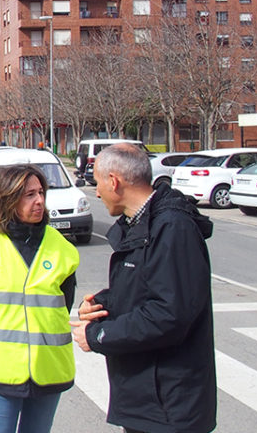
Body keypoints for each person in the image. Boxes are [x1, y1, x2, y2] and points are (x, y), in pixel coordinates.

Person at [71, 143, 216, 433]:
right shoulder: (140, 224)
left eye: (98, 183)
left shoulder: (172, 228)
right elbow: (146, 289)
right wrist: (104, 303)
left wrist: (99, 335)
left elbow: (169, 314)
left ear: (114, 181)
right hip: (148, 397)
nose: (97, 193)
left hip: (168, 403)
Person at [0, 164, 79, 433]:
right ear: (7, 198)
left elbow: (63, 305)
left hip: (49, 369)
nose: (40, 201)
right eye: (29, 194)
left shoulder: (61, 248)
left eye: (41, 192)